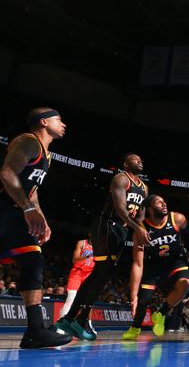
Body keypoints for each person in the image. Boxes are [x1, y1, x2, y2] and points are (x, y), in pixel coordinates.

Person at [57, 153, 150, 340]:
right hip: (107, 225)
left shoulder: (144, 188)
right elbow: (121, 209)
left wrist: (139, 228)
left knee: (100, 273)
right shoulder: (121, 178)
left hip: (122, 230)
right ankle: (80, 318)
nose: (140, 161)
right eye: (135, 159)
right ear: (125, 163)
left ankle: (69, 318)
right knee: (104, 272)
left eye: (141, 159)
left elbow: (140, 214)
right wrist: (137, 229)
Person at [0, 108, 72, 348]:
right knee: (32, 262)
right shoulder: (28, 141)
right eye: (58, 119)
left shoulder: (46, 155)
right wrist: (28, 209)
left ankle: (35, 331)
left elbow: (33, 189)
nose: (63, 124)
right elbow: (8, 173)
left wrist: (40, 216)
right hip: (4, 207)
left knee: (33, 261)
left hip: (16, 213)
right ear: (44, 122)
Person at [122, 194, 189, 340]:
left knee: (185, 284)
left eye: (164, 201)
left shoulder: (177, 218)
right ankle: (135, 328)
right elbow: (137, 263)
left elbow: (188, 234)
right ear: (150, 208)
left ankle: (161, 313)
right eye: (159, 202)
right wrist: (133, 295)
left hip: (175, 262)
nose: (164, 204)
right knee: (143, 300)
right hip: (153, 265)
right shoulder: (141, 230)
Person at [61, 235, 95, 316]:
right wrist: (88, 255)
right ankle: (60, 326)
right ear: (90, 234)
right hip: (77, 273)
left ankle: (86, 324)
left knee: (88, 301)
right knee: (71, 298)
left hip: (89, 274)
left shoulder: (99, 247)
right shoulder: (82, 243)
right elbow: (74, 259)